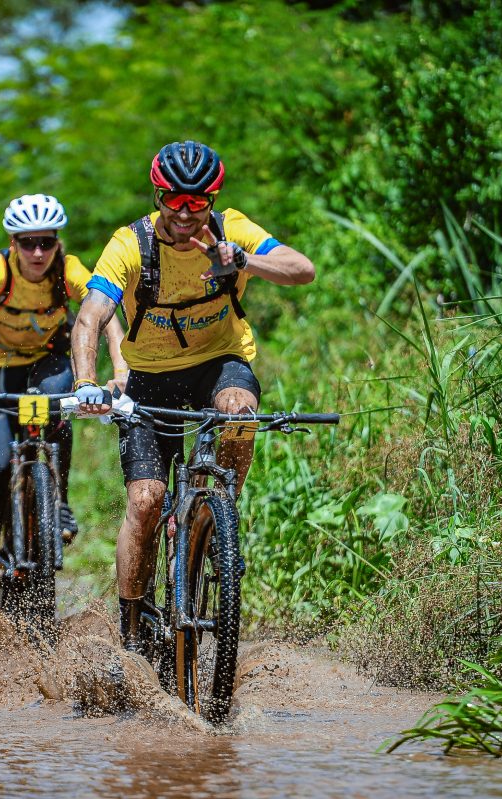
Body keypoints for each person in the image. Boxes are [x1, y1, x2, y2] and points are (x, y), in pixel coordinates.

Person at [69, 140, 315, 651]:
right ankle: (132, 625)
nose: (185, 214)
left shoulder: (232, 230)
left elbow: (301, 269)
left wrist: (243, 259)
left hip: (218, 363)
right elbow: (91, 315)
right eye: (173, 201)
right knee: (146, 501)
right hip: (151, 375)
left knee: (239, 414)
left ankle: (216, 517)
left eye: (197, 202)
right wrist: (87, 384)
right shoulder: (130, 244)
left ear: (213, 197)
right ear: (157, 196)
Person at [0, 194, 128, 599]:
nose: (37, 252)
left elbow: (106, 317)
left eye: (46, 241)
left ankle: (59, 502)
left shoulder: (68, 270)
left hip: (46, 362)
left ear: (57, 241)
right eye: (27, 243)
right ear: (13, 243)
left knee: (60, 403)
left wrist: (123, 369)